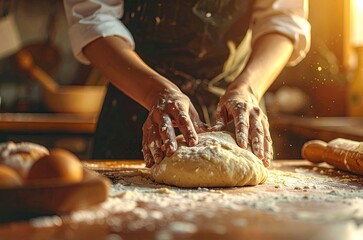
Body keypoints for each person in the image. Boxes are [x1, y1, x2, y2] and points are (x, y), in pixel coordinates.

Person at [63, 0, 310, 168]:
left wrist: (248, 89)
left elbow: (282, 19)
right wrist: (156, 92)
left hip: (235, 109)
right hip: (137, 99)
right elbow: (93, 18)